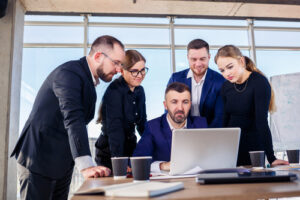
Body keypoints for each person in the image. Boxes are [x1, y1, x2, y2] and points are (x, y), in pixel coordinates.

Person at [11, 35, 126, 200]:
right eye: (116, 63)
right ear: (99, 56)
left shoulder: (87, 81)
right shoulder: (69, 74)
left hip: (62, 162)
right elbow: (73, 117)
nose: (118, 70)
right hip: (38, 158)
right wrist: (86, 165)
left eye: (121, 65)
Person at [214, 44, 289, 167]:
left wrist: (271, 158)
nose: (226, 73)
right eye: (222, 70)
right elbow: (225, 121)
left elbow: (262, 122)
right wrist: (222, 151)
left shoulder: (259, 82)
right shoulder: (226, 86)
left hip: (254, 149)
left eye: (230, 67)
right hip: (233, 148)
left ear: (241, 61)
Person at [133, 82, 207, 172]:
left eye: (185, 102)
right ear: (165, 105)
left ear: (190, 104)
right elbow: (137, 161)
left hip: (196, 181)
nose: (180, 108)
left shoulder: (201, 124)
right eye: (174, 102)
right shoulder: (153, 127)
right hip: (167, 182)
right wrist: (163, 166)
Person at [95, 50, 148, 170]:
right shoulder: (114, 91)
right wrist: (119, 162)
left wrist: (154, 144)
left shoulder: (140, 91)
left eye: (143, 70)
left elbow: (142, 123)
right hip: (111, 153)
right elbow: (115, 130)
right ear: (123, 71)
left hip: (130, 149)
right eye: (134, 71)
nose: (140, 75)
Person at [168, 39, 225, 128]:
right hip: (181, 131)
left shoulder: (220, 81)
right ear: (188, 58)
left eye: (202, 59)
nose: (198, 64)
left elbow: (219, 117)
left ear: (209, 57)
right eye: (194, 59)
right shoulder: (176, 78)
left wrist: (206, 137)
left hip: (210, 132)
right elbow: (169, 111)